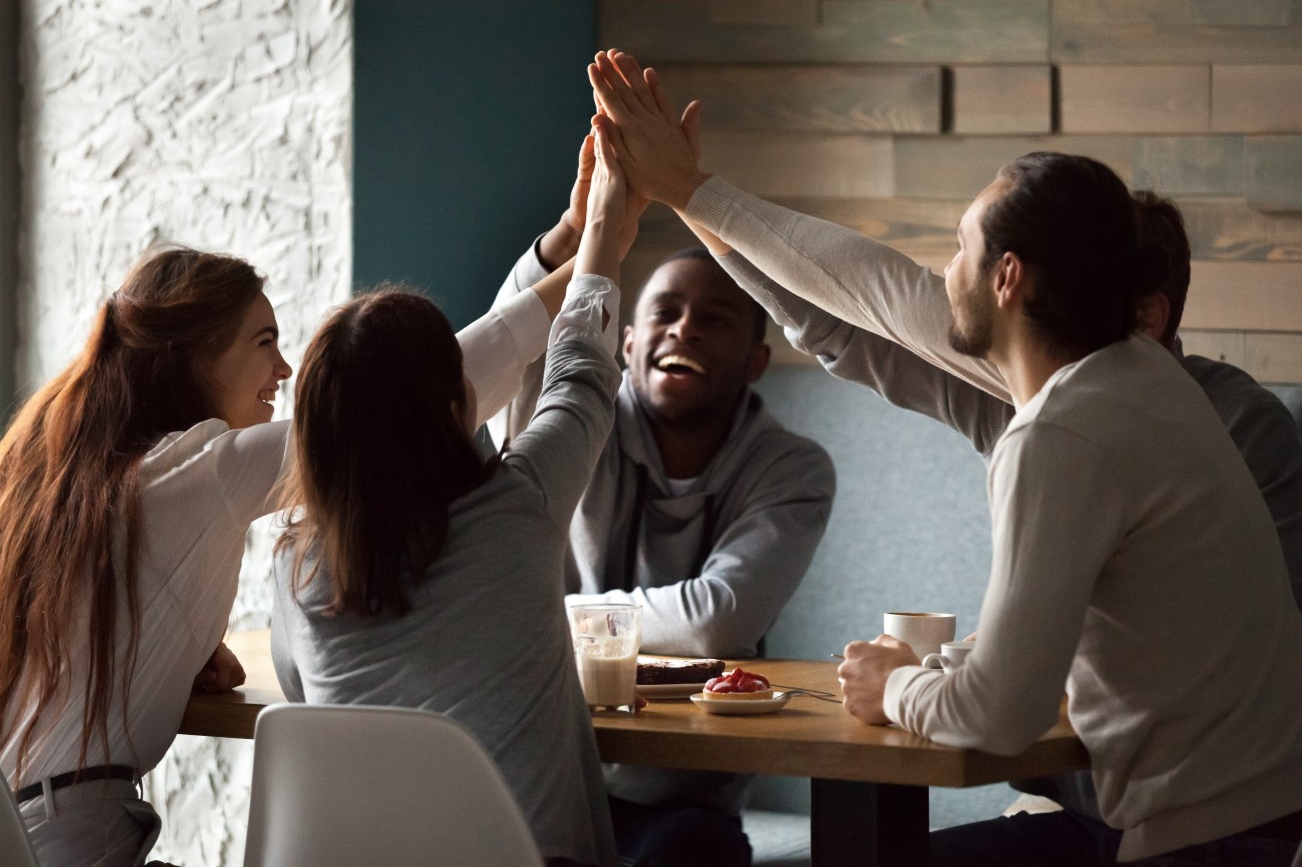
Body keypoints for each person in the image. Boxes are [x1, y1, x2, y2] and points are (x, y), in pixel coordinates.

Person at [588, 49, 1302, 865]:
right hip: (1295, 824)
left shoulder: (1062, 432)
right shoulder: (1140, 375)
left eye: (959, 249)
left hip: (1211, 844)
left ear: (1008, 278)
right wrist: (696, 198)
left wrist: (894, 686)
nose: (943, 274)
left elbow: (998, 718)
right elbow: (868, 291)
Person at [0, 167, 586, 863]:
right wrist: (593, 261)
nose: (283, 369)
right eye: (263, 342)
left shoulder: (59, 470)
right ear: (193, 359)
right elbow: (404, 401)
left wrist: (177, 654)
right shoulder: (203, 471)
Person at [269, 125, 633, 867]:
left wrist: (576, 233)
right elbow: (581, 375)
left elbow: (304, 698)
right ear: (454, 403)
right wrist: (604, 231)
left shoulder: (297, 568)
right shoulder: (516, 514)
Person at [488, 151, 835, 867]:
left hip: (684, 798)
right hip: (547, 772)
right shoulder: (581, 425)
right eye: (665, 315)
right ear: (628, 344)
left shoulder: (792, 468)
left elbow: (719, 616)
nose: (685, 330)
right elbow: (511, 363)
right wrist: (570, 236)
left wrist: (551, 621)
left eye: (715, 320)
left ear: (755, 361)